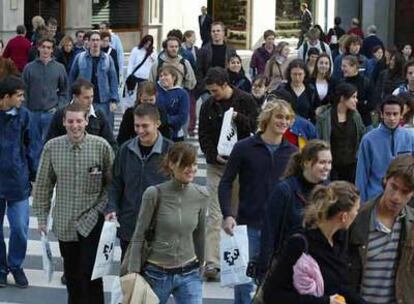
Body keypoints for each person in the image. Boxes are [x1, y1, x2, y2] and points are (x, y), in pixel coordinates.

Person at [33, 102, 114, 304]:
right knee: (72, 276)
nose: (75, 125)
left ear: (86, 121)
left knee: (92, 275)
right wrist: (42, 219)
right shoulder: (52, 147)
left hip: (92, 220)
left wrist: (101, 210)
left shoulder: (101, 146)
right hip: (65, 222)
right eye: (70, 121)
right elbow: (43, 185)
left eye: (79, 121)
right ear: (63, 122)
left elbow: (112, 185)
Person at [219, 99, 298, 303]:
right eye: (279, 116)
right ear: (267, 118)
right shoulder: (244, 147)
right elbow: (226, 182)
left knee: (273, 287)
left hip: (280, 232)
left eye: (287, 118)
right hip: (248, 227)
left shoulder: (293, 153)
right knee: (245, 288)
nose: (283, 121)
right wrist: (228, 214)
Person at [126, 142, 208, 304]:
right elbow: (139, 234)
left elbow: (200, 233)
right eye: (185, 164)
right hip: (156, 274)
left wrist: (202, 263)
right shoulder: (153, 194)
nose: (191, 169)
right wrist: (133, 271)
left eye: (194, 164)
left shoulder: (201, 194)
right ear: (171, 164)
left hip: (189, 273)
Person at [198, 67, 258, 279]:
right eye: (210, 91)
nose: (213, 94)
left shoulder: (246, 100)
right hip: (218, 165)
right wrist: (213, 155)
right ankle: (212, 262)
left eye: (215, 90)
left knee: (237, 212)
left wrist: (237, 118)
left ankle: (238, 258)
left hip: (242, 165)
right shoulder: (207, 106)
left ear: (225, 85)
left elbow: (256, 126)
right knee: (214, 213)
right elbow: (203, 135)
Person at [263, 181, 364, 304]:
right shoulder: (300, 243)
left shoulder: (339, 241)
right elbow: (273, 295)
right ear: (343, 216)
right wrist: (325, 302)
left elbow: (341, 286)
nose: (357, 214)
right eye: (356, 210)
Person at [106, 103, 172, 259]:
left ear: (157, 123)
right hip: (129, 225)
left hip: (160, 229)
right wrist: (111, 207)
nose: (140, 131)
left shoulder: (171, 151)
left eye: (145, 126)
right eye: (137, 126)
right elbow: (116, 183)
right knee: (128, 277)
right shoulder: (125, 149)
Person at [260, 139, 332, 276]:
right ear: (307, 162)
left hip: (318, 267)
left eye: (329, 163)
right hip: (286, 266)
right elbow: (269, 232)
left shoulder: (329, 191)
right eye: (322, 162)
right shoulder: (284, 190)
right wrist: (265, 269)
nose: (327, 167)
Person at [349, 155, 414, 304]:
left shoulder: (410, 224)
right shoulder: (358, 218)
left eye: (405, 192)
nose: (396, 197)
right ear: (385, 180)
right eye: (394, 187)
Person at [0, 76, 41, 288]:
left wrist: (34, 176)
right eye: (19, 95)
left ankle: (15, 265)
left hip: (18, 181)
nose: (22, 99)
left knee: (19, 229)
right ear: (5, 97)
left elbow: (33, 146)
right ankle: (1, 268)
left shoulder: (25, 116)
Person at [356, 95, 414, 203]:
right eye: (388, 114)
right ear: (382, 114)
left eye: (395, 114)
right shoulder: (368, 140)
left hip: (403, 199)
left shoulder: (410, 138)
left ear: (401, 115)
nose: (391, 118)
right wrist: (360, 204)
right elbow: (361, 175)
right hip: (375, 198)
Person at [45, 78, 117, 150]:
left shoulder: (99, 115)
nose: (90, 101)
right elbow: (50, 142)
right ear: (75, 97)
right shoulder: (60, 114)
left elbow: (111, 143)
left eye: (92, 97)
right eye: (86, 98)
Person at [22, 36, 69, 143]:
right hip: (33, 113)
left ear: (52, 50)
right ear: (38, 48)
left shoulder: (59, 68)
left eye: (48, 47)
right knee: (33, 146)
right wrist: (26, 111)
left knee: (50, 144)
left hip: (51, 113)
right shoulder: (29, 68)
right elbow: (23, 92)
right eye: (43, 47)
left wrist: (58, 108)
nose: (45, 50)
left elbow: (65, 91)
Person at [316, 83, 365, 182]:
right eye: (353, 97)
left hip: (352, 167)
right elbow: (319, 140)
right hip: (331, 167)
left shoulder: (356, 116)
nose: (356, 100)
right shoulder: (324, 118)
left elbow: (362, 136)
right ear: (342, 98)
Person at [69, 31, 119, 129]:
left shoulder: (108, 59)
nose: (95, 43)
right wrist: (72, 97)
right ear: (88, 42)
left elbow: (113, 80)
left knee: (104, 128)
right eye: (93, 40)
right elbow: (71, 78)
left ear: (100, 42)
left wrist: (114, 100)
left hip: (103, 101)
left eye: (97, 40)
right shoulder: (80, 58)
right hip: (83, 101)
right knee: (84, 127)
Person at [195, 22, 236, 98]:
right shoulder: (203, 50)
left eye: (218, 31)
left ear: (223, 33)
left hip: (225, 88)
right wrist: (203, 87)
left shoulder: (231, 50)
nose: (215, 33)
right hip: (208, 90)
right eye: (213, 31)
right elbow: (198, 70)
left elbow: (235, 67)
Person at [156, 66, 190, 141]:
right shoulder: (155, 91)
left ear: (174, 77)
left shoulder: (182, 93)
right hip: (157, 134)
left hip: (175, 134)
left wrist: (165, 120)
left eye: (166, 75)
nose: (163, 78)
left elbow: (183, 117)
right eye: (160, 76)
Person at [339, 55, 374, 126]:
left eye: (344, 66)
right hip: (346, 123)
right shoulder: (341, 83)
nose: (342, 69)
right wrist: (362, 103)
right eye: (342, 66)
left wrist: (351, 105)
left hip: (364, 123)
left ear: (354, 67)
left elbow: (372, 104)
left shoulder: (366, 82)